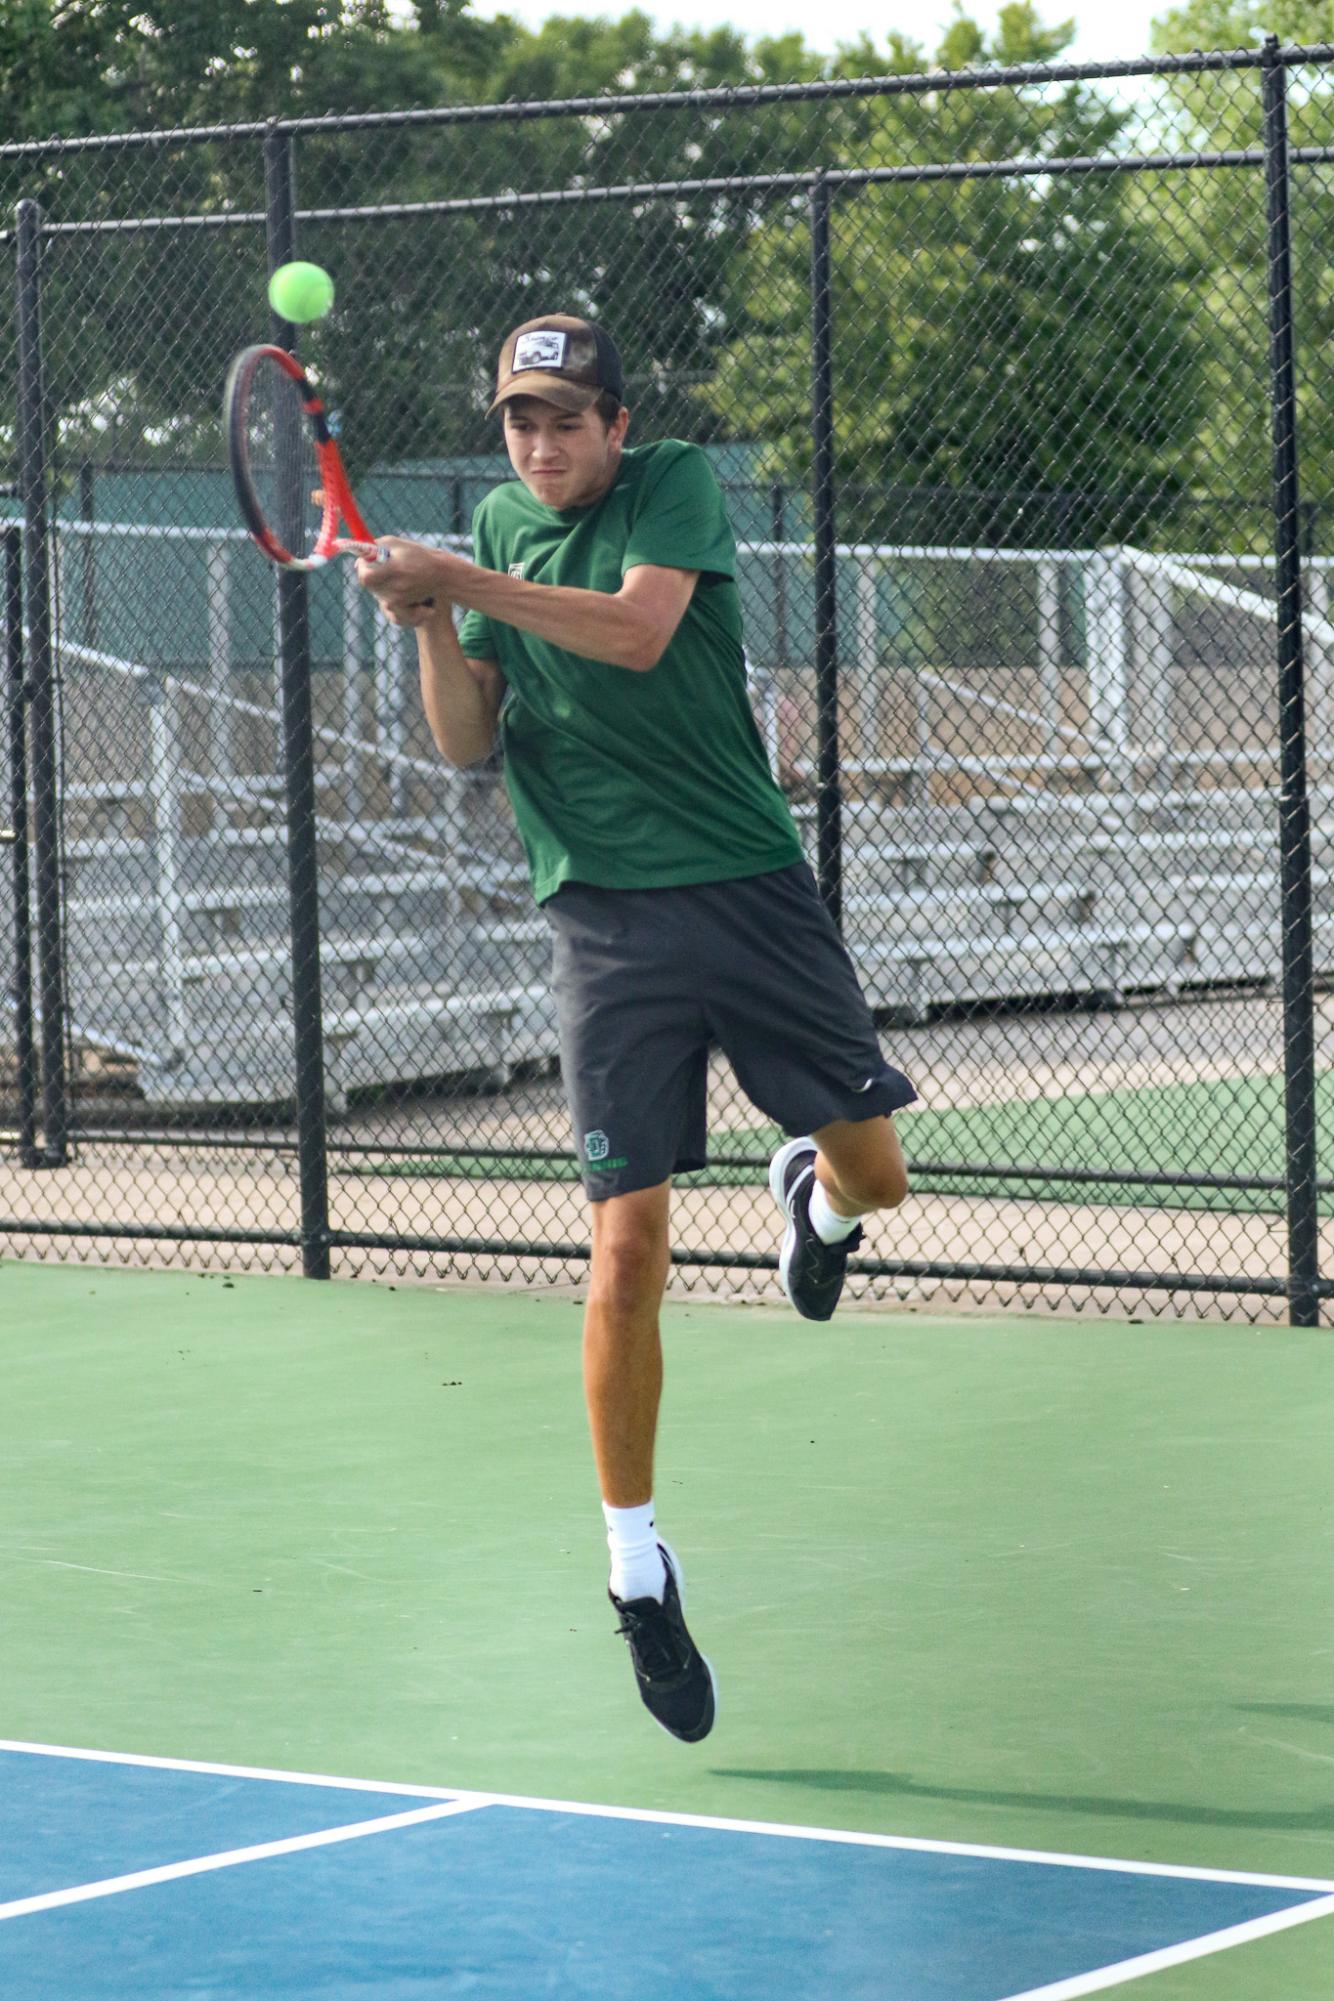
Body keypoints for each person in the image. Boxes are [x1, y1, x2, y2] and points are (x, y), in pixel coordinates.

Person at [356, 314, 915, 1744]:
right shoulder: (491, 525)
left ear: (615, 423)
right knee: (625, 1245)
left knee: (879, 1175)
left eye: (563, 420)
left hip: (745, 884)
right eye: (516, 423)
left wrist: (460, 576)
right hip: (603, 916)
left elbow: (637, 628)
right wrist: (433, 627)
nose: (539, 446)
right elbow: (470, 740)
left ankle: (812, 1198)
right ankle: (635, 1567)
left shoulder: (671, 486)